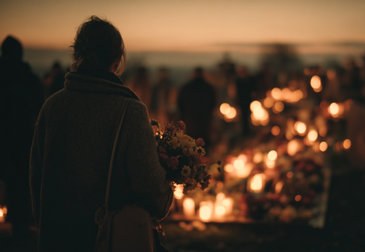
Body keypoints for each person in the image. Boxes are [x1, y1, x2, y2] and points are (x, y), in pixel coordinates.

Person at [29, 16, 173, 251]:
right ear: (117, 60)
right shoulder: (130, 111)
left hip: (55, 238)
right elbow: (151, 191)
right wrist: (168, 183)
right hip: (108, 239)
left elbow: (36, 178)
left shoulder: (52, 106)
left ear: (77, 55)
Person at [0, 35, 43, 250]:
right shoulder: (28, 79)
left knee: (17, 186)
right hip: (22, 144)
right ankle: (21, 230)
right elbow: (39, 108)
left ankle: (19, 230)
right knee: (20, 188)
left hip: (10, 143)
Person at [177, 67, 216, 146]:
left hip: (190, 121)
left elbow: (180, 104)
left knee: (190, 145)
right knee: (204, 145)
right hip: (205, 121)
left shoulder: (186, 88)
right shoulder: (209, 88)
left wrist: (183, 117)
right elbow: (213, 104)